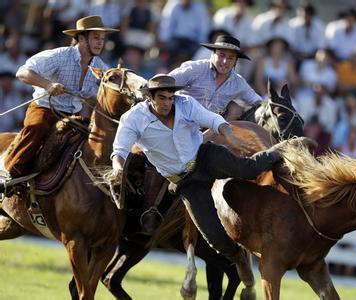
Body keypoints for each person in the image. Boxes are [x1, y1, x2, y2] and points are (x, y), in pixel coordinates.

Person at [110, 73, 294, 289]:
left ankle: (281, 149)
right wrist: (118, 168)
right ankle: (239, 259)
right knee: (214, 236)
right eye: (162, 98)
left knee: (247, 168)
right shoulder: (133, 118)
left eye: (170, 97)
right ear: (150, 97)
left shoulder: (185, 103)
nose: (168, 102)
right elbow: (119, 150)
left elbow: (213, 120)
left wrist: (230, 136)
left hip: (205, 157)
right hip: (186, 182)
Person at [1, 15, 117, 188]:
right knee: (37, 127)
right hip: (45, 108)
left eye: (102, 38)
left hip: (73, 117)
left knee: (91, 142)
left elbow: (111, 89)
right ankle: (10, 174)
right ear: (81, 38)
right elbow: (22, 72)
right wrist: (47, 85)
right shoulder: (60, 56)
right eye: (95, 38)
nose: (100, 43)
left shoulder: (101, 67)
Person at [169, 34, 262, 121]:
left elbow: (259, 102)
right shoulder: (195, 69)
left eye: (231, 58)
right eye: (221, 55)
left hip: (209, 131)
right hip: (180, 122)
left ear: (235, 61)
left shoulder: (238, 82)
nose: (225, 61)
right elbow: (165, 83)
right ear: (212, 54)